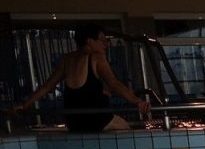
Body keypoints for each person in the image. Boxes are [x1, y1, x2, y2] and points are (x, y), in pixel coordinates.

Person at [12, 24, 149, 132]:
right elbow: (113, 83)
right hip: (97, 120)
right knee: (127, 130)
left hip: (74, 122)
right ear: (89, 41)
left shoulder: (67, 59)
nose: (105, 44)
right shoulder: (96, 57)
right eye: (102, 40)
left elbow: (47, 86)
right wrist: (137, 101)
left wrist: (25, 105)